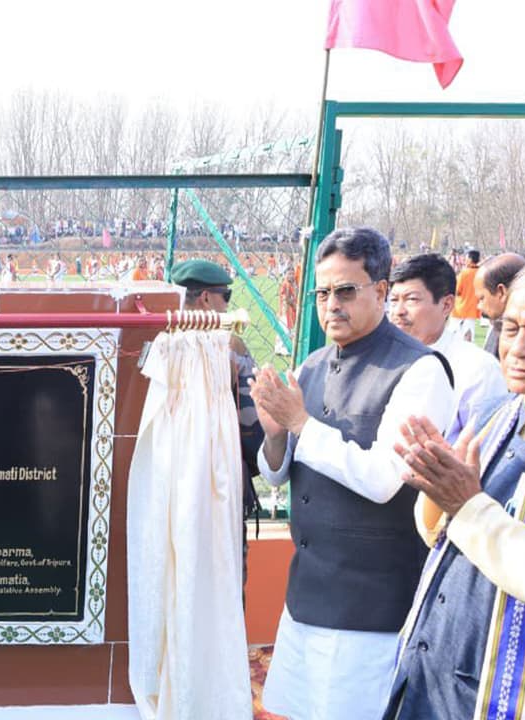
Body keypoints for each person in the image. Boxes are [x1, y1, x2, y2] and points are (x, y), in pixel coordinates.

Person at [249, 227, 455, 720]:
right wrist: (276, 435)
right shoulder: (313, 364)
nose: (332, 305)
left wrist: (301, 423)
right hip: (307, 595)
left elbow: (384, 479)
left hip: (372, 609)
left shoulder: (420, 370)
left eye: (345, 290)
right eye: (322, 293)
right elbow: (278, 475)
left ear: (380, 291)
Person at [385, 257, 525, 718]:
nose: (517, 348)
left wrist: (467, 505)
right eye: (510, 328)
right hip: (434, 678)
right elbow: (442, 534)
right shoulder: (503, 416)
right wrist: (436, 486)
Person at [173, 259, 264, 591]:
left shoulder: (153, 341)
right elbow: (253, 427)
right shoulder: (231, 347)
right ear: (206, 299)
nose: (227, 305)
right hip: (219, 489)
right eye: (225, 296)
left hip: (167, 488)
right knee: (224, 590)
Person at [389, 253, 508, 440]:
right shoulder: (379, 360)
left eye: (411, 299)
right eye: (394, 300)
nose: (398, 311)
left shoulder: (479, 370)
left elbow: (485, 445)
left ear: (446, 305)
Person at [474, 252, 525, 359]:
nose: (479, 306)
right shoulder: (499, 328)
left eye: (482, 298)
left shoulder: (524, 342)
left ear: (501, 292)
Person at [449, 249, 482, 342]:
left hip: (460, 307)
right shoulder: (481, 273)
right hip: (473, 308)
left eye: (466, 257)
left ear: (470, 259)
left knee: (453, 332)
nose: (464, 259)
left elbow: (457, 291)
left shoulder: (464, 273)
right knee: (469, 333)